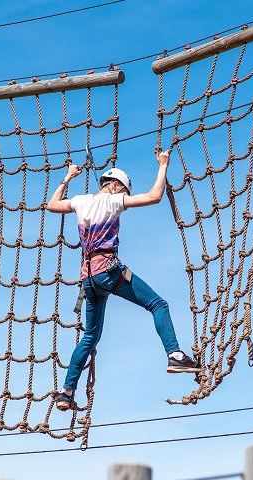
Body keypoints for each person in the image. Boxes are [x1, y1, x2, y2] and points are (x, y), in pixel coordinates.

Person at [45, 149, 201, 411]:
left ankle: (66, 393)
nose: (124, 196)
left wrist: (68, 177)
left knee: (90, 337)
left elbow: (51, 205)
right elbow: (154, 197)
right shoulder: (113, 202)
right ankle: (175, 355)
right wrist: (163, 165)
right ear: (116, 186)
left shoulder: (81, 201)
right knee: (158, 305)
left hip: (89, 278)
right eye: (124, 191)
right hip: (108, 271)